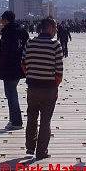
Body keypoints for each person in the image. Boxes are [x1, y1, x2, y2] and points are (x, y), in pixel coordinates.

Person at [21, 17, 64, 159]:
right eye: (55, 27)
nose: (56, 30)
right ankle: (42, 151)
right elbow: (59, 71)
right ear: (50, 28)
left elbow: (23, 64)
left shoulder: (30, 42)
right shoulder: (55, 45)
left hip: (32, 87)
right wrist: (54, 84)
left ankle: (30, 146)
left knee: (31, 117)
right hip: (48, 88)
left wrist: (31, 75)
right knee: (45, 121)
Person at [0, 10, 29, 130]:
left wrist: (1, 66)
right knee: (11, 92)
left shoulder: (8, 32)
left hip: (9, 67)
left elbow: (5, 51)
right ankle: (13, 119)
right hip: (20, 66)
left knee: (11, 94)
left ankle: (16, 121)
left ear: (5, 20)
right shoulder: (22, 31)